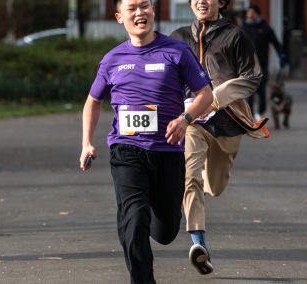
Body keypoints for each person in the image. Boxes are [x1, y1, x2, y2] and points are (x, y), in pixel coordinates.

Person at [79, 0, 213, 283]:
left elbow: (205, 94)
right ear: (119, 17)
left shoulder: (176, 51)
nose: (140, 12)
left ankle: (144, 213)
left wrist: (184, 120)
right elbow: (93, 101)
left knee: (165, 232)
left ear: (153, 11)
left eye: (146, 6)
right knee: (135, 217)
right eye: (132, 8)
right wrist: (86, 143)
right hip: (126, 150)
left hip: (167, 151)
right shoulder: (112, 59)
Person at [171, 0, 269, 275]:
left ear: (221, 3)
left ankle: (202, 186)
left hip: (228, 124)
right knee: (191, 177)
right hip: (190, 123)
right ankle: (198, 243)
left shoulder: (235, 36)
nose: (201, 1)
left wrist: (215, 99)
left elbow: (253, 77)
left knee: (214, 186)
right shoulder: (177, 39)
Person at [242, 3, 287, 120]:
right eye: (248, 12)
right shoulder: (243, 28)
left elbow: (276, 44)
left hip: (262, 65)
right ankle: (251, 117)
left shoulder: (265, 28)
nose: (249, 15)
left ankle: (260, 111)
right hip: (248, 66)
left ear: (256, 14)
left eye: (251, 12)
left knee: (261, 93)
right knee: (249, 93)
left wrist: (282, 57)